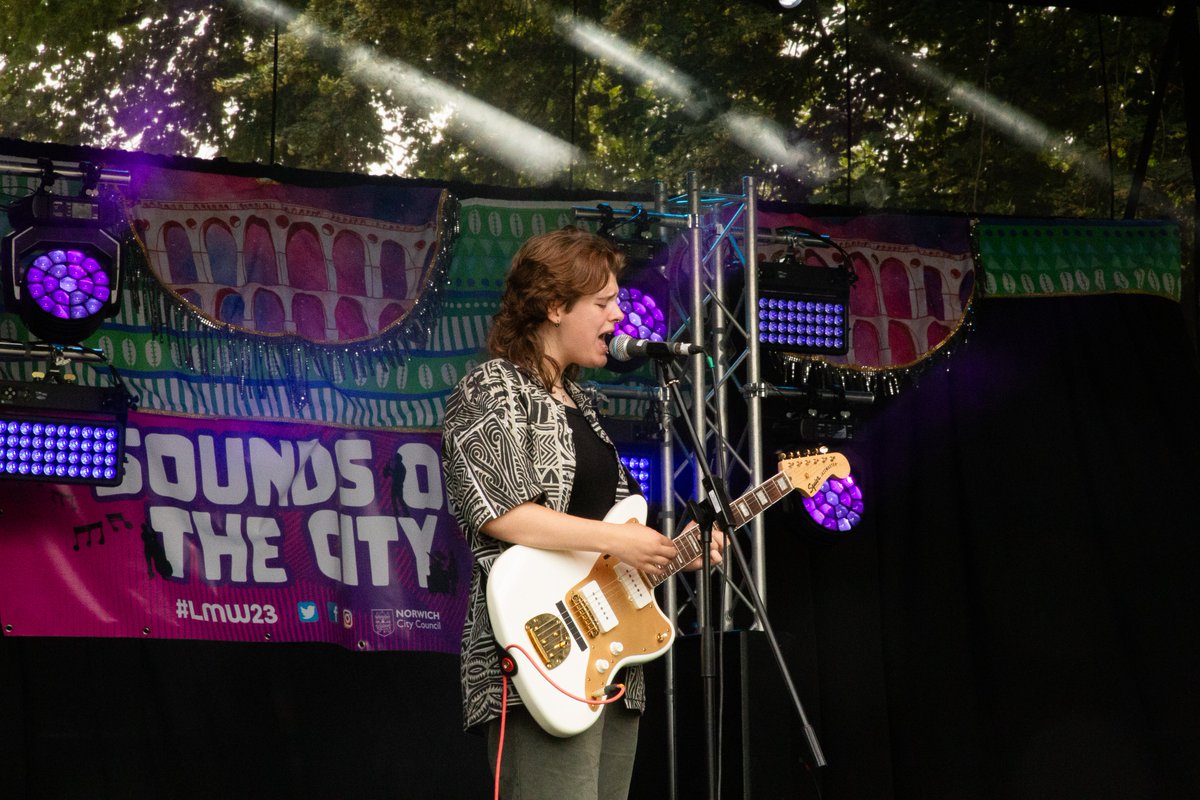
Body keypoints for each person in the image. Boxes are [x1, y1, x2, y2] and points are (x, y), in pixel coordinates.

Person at [441, 226, 723, 800]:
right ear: (552, 305)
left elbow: (608, 541)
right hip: (533, 653)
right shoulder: (494, 387)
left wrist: (676, 551)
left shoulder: (586, 406)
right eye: (603, 303)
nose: (619, 316)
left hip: (609, 660)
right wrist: (621, 542)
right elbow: (500, 513)